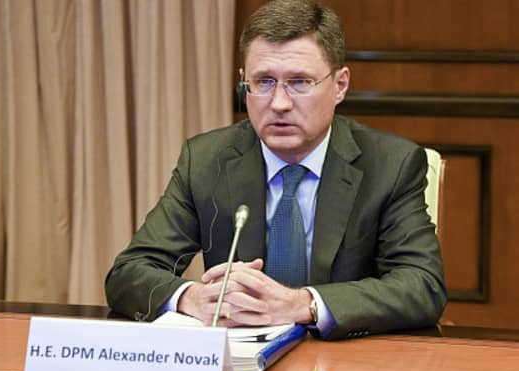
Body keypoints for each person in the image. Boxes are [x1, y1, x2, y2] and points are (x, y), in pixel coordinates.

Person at [104, 0, 447, 340]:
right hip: (240, 360)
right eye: (264, 82)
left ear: (340, 85)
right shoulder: (207, 160)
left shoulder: (390, 164)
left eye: (300, 82)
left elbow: (422, 285)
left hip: (347, 357)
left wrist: (303, 304)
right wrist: (191, 299)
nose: (279, 103)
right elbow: (129, 273)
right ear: (244, 82)